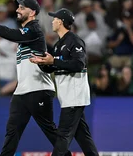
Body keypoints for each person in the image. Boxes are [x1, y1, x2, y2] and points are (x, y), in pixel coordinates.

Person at [0, 0, 71, 156]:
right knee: (12, 133)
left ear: (32, 12)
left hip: (39, 89)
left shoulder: (34, 30)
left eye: (22, 8)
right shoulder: (26, 36)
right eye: (18, 7)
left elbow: (10, 33)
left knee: (50, 132)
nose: (18, 10)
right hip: (22, 92)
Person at [29, 8, 99, 156]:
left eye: (54, 19)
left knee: (63, 136)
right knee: (83, 137)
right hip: (67, 97)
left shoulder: (74, 41)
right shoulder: (58, 44)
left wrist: (53, 60)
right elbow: (54, 67)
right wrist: (42, 62)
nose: (52, 21)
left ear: (61, 22)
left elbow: (79, 64)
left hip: (74, 96)